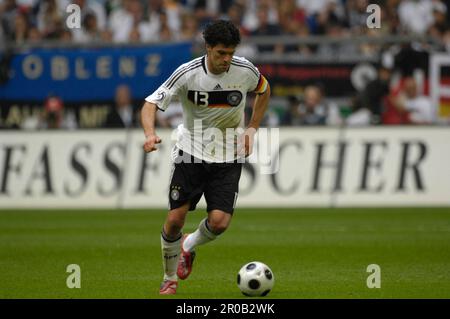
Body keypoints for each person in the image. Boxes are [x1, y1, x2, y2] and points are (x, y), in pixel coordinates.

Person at [140, 20, 270, 295]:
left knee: (220, 222)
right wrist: (150, 134)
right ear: (208, 48)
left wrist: (252, 129)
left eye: (231, 53)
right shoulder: (187, 73)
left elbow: (264, 89)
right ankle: (169, 278)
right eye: (221, 53)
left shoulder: (245, 70)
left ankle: (188, 246)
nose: (227, 59)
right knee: (175, 219)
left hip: (228, 154)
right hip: (191, 153)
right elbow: (151, 103)